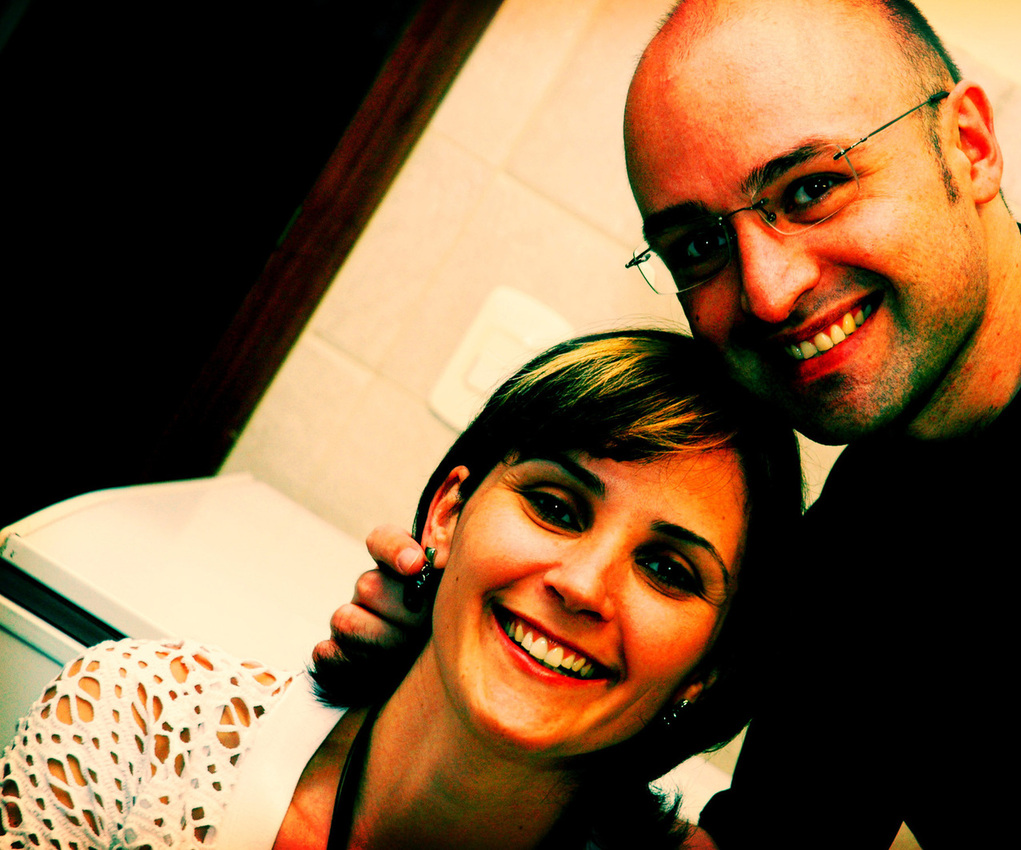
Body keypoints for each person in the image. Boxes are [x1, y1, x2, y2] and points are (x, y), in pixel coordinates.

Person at [329, 1, 1021, 847]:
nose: (768, 292)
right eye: (699, 245)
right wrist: (458, 679)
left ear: (969, 146)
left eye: (810, 189)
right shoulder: (844, 573)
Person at [0, 329, 804, 849]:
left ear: (708, 669)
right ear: (449, 513)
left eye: (667, 570)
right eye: (556, 507)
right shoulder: (139, 725)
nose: (582, 586)